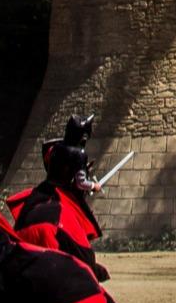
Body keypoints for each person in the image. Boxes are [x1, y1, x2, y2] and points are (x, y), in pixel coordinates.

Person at [8, 114, 107, 279]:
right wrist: (93, 185)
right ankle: (84, 265)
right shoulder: (79, 153)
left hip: (45, 188)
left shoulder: (56, 148)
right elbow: (80, 182)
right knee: (75, 228)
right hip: (63, 193)